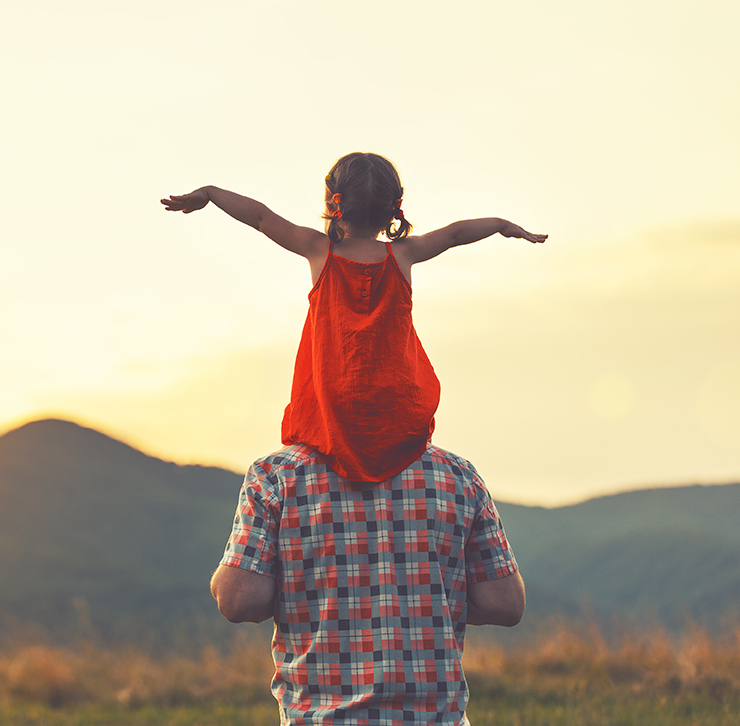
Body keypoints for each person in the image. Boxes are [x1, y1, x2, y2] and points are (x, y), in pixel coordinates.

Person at [161, 152, 546, 483]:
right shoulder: (403, 255)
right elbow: (456, 233)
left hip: (333, 408)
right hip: (396, 406)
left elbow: (260, 217)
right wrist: (500, 225)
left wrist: (210, 194)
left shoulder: (318, 250)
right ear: (395, 207)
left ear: (334, 202)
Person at [210, 445, 524, 725]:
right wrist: (430, 597)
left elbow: (239, 599)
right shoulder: (458, 477)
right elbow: (504, 603)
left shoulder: (276, 477)